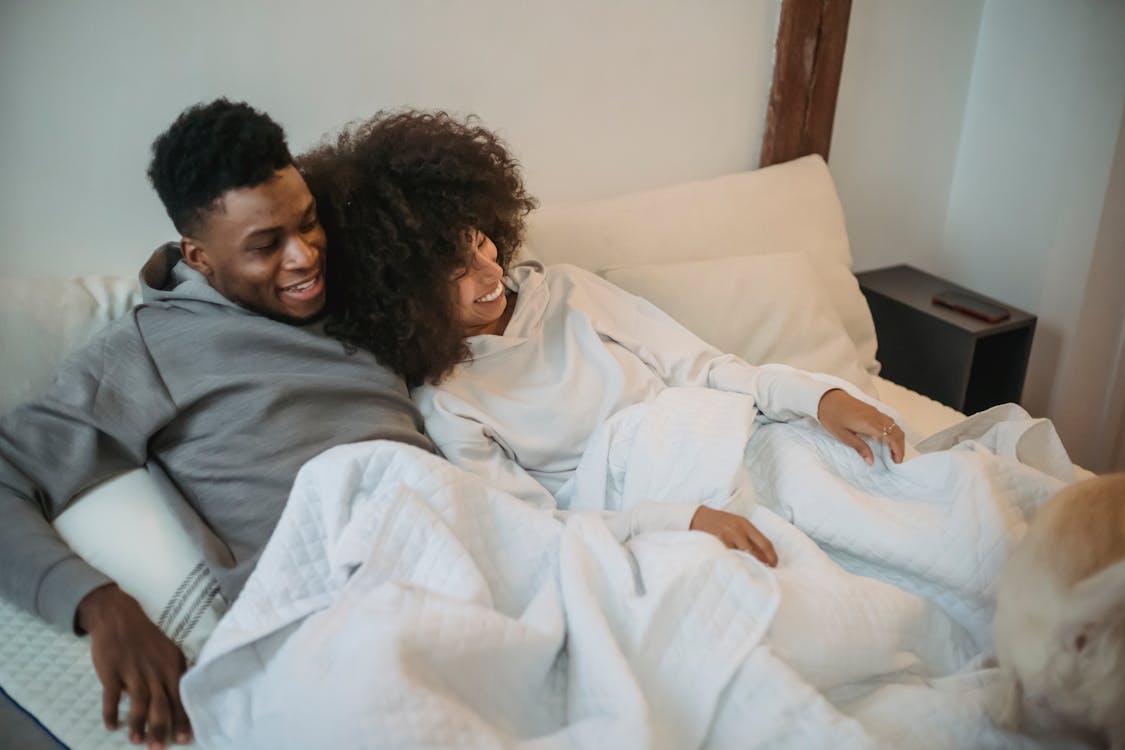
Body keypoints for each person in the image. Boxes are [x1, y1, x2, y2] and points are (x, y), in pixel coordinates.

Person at [0, 100, 436, 750]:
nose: (303, 257)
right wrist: (102, 607)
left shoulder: (363, 278)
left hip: (450, 534)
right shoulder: (144, 352)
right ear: (199, 258)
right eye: (265, 247)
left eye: (308, 223)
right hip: (341, 607)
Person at [299, 110, 906, 566]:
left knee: (901, 493)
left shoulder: (565, 292)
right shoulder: (452, 403)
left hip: (733, 442)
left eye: (479, 239)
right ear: (398, 292)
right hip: (654, 523)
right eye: (452, 269)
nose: (488, 273)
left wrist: (816, 399)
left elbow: (702, 367)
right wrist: (681, 521)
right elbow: (539, 530)